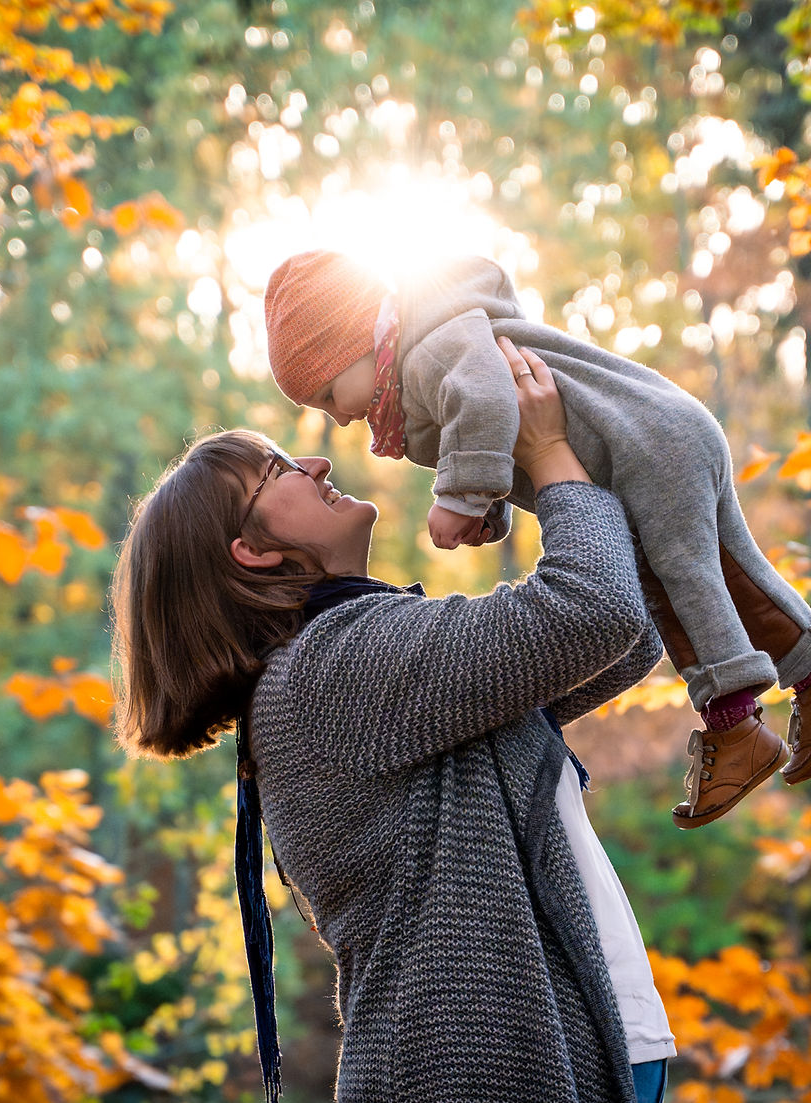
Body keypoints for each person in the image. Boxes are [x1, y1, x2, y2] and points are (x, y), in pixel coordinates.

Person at [110, 338, 675, 1101]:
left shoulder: (340, 665)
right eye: (277, 471)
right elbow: (592, 608)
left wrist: (546, 470)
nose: (315, 465)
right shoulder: (331, 667)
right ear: (249, 551)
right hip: (488, 1070)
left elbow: (624, 635)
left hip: (579, 1047)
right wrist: (543, 453)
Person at [261, 249, 811, 828]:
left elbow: (485, 400)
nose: (337, 417)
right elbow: (501, 432)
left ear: (352, 342)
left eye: (326, 395)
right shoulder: (435, 349)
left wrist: (459, 497)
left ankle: (735, 728)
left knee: (678, 584)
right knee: (731, 570)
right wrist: (488, 510)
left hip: (642, 449)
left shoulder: (427, 351)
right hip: (664, 429)